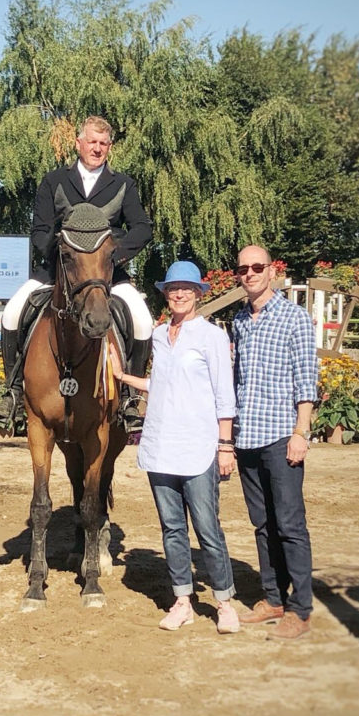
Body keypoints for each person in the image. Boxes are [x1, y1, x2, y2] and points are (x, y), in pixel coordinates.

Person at [0, 115, 153, 432]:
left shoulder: (123, 184)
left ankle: (130, 400)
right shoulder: (54, 181)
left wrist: (112, 256)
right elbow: (40, 230)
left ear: (110, 147)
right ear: (78, 143)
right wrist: (62, 258)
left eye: (104, 143)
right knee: (11, 313)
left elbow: (142, 228)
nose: (98, 148)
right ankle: (12, 393)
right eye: (92, 141)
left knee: (143, 320)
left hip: (107, 275)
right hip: (57, 272)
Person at [112, 260, 242, 634]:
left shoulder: (211, 337)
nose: (180, 294)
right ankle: (182, 600)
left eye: (186, 288)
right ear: (165, 295)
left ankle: (223, 602)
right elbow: (161, 384)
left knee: (207, 527)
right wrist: (123, 377)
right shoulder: (157, 336)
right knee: (171, 527)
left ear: (199, 293)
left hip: (199, 446)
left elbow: (224, 395)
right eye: (173, 289)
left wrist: (225, 444)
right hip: (161, 445)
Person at [231, 245, 318, 641]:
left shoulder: (295, 319)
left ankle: (300, 608)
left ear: (272, 271)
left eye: (256, 267)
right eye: (243, 269)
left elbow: (306, 380)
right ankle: (272, 597)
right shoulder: (239, 322)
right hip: (248, 436)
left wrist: (301, 433)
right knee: (262, 524)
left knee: (289, 524)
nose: (249, 273)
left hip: (282, 435)